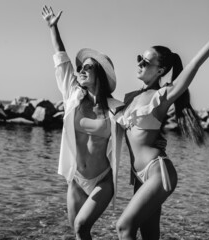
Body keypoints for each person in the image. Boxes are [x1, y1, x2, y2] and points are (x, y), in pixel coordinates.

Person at [115, 10, 209, 240]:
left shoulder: (163, 94)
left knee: (124, 227)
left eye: (145, 61)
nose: (140, 64)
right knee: (149, 235)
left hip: (157, 171)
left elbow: (194, 65)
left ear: (160, 70)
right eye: (138, 59)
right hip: (139, 176)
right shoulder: (130, 98)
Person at [42, 5, 124, 240]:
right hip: (77, 178)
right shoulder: (72, 95)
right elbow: (61, 61)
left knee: (80, 226)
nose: (81, 70)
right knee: (80, 233)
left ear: (99, 73)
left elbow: (138, 129)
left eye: (88, 67)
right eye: (81, 68)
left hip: (103, 179)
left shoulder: (116, 108)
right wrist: (53, 27)